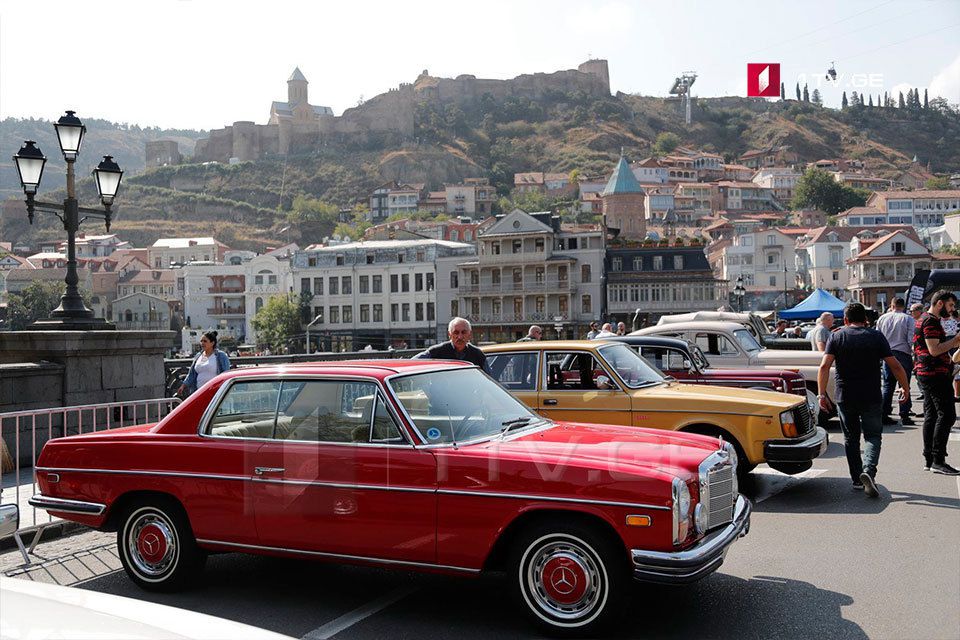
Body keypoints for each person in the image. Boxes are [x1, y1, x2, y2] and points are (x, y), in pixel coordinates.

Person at [818, 303, 909, 497]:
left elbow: (824, 366)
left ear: (845, 320)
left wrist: (821, 394)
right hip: (871, 395)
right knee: (873, 436)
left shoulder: (836, 336)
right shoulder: (876, 336)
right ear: (865, 320)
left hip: (845, 395)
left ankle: (857, 479)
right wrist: (905, 387)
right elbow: (894, 365)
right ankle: (868, 470)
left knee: (851, 438)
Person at [912, 290, 960, 475]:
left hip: (928, 372)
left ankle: (930, 459)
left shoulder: (924, 319)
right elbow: (934, 349)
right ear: (940, 303)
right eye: (950, 305)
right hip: (934, 374)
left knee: (932, 415)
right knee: (947, 416)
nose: (952, 309)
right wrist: (955, 341)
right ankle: (938, 460)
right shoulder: (930, 321)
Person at [875, 298, 915, 425]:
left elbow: (878, 336)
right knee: (904, 384)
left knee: (888, 385)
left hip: (887, 353)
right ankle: (904, 414)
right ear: (903, 306)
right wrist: (913, 353)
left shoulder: (882, 318)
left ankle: (884, 413)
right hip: (903, 352)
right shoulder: (908, 319)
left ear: (892, 305)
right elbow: (911, 338)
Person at [414, 317, 487, 370]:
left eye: (464, 332)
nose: (460, 337)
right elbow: (412, 363)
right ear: (449, 334)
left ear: (470, 334)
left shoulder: (478, 354)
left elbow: (489, 378)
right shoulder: (436, 352)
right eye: (456, 332)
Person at [177, 331, 231, 397]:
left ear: (212, 343)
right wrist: (183, 385)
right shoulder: (198, 356)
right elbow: (191, 374)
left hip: (215, 392)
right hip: (199, 392)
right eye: (201, 341)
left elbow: (226, 374)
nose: (202, 343)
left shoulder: (221, 356)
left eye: (205, 341)